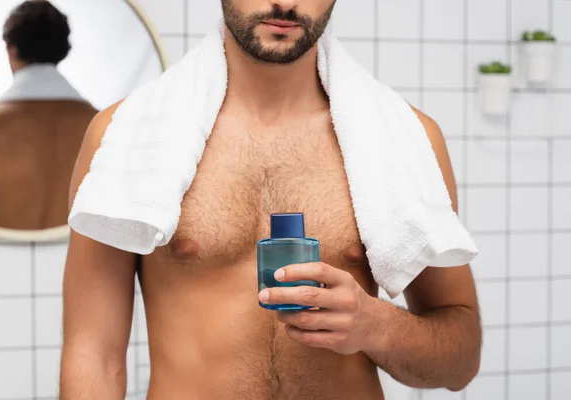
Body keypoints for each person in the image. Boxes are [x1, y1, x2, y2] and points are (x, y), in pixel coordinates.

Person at [60, 1, 481, 399]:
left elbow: (460, 360)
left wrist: (376, 326)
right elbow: (93, 355)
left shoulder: (406, 140)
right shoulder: (125, 136)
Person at [0, 0, 97, 230]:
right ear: (62, 49)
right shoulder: (104, 127)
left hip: (0, 265)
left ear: (11, 50)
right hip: (81, 265)